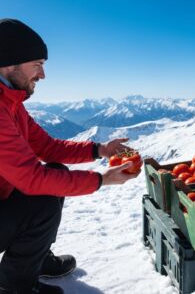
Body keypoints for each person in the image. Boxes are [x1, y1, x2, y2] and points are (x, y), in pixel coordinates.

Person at [0, 18, 140, 294]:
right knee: (42, 194)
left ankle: (34, 260)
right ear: (9, 63)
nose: (42, 75)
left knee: (55, 173)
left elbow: (48, 147)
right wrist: (101, 180)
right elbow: (31, 179)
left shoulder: (10, 102)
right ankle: (14, 287)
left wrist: (101, 150)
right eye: (37, 64)